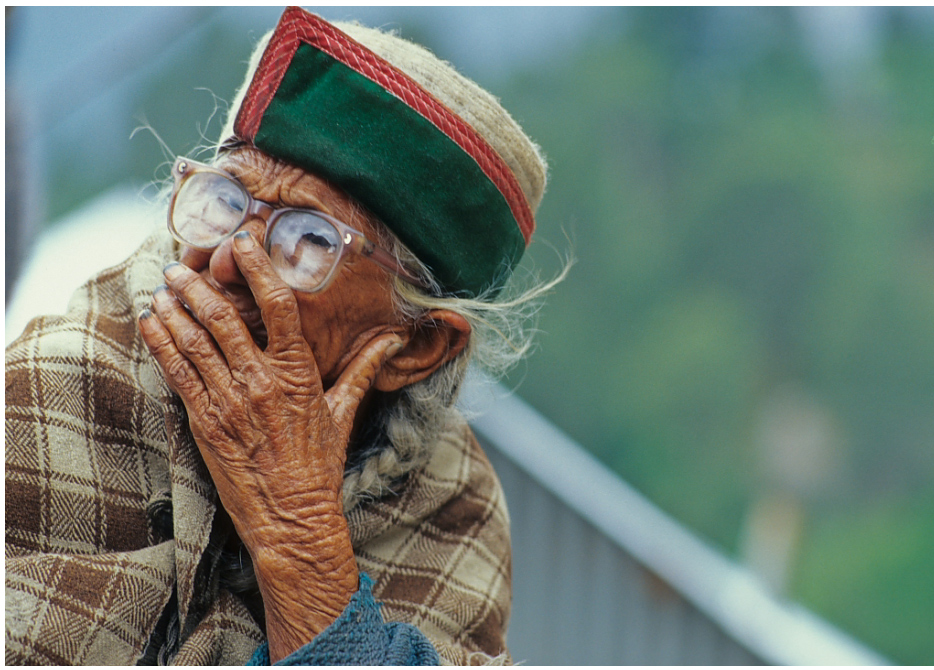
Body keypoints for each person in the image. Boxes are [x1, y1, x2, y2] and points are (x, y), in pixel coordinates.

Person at [5, 7, 565, 665]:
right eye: (226, 202)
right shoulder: (59, 390)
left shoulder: (445, 501)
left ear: (417, 346)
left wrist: (301, 550)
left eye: (306, 240)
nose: (224, 263)